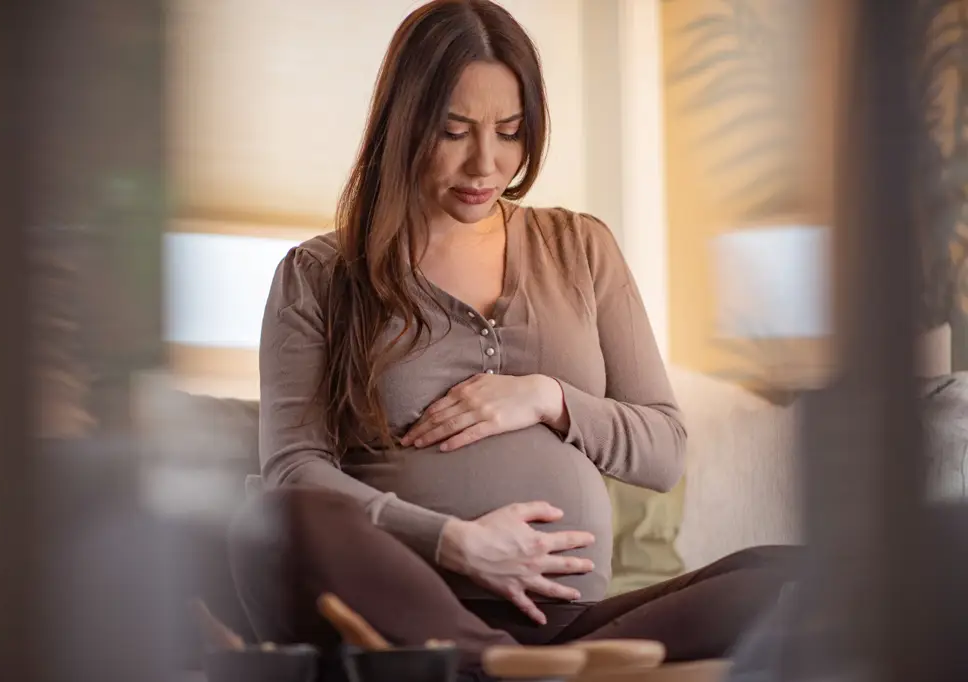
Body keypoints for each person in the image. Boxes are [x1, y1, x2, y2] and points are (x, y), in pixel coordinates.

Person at [229, 0, 794, 675]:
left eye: (509, 130)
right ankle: (498, 663)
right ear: (404, 123)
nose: (485, 164)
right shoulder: (319, 274)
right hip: (402, 605)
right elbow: (296, 469)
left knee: (796, 573)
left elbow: (664, 452)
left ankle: (517, 668)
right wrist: (453, 543)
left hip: (569, 620)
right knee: (281, 517)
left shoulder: (581, 248)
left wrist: (548, 398)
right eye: (454, 131)